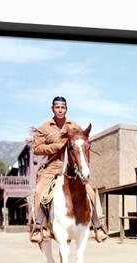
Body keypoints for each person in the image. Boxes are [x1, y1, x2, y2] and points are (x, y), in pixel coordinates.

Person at [27, 96, 108, 244]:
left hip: (72, 168)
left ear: (66, 109)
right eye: (57, 107)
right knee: (39, 191)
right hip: (52, 167)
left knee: (90, 191)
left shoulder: (74, 126)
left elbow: (81, 141)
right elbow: (36, 148)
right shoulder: (45, 127)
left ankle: (98, 226)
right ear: (52, 109)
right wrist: (55, 147)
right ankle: (40, 228)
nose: (60, 110)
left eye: (63, 107)